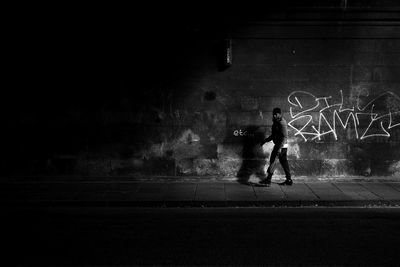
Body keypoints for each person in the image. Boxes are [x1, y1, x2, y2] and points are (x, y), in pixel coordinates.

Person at [259, 107, 292, 187]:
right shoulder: (276, 122)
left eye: (276, 114)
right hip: (280, 146)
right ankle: (289, 180)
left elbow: (285, 137)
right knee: (284, 162)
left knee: (273, 161)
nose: (274, 115)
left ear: (280, 114)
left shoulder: (282, 123)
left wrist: (279, 148)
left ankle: (268, 180)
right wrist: (265, 140)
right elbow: (273, 135)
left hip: (281, 146)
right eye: (274, 114)